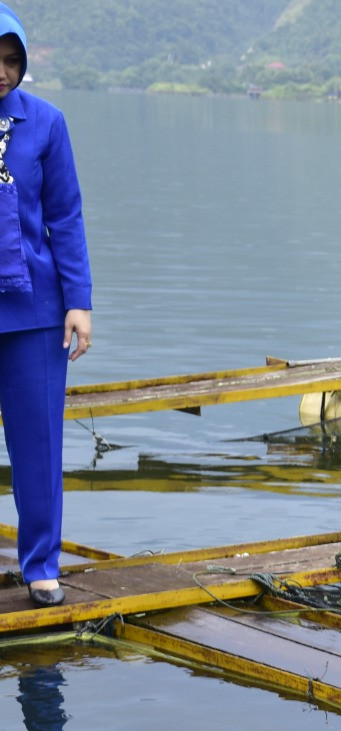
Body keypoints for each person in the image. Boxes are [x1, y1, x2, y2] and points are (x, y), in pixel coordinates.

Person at [0, 4, 91, 610]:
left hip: (34, 312)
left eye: (12, 61)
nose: (3, 72)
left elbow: (65, 215)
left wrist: (79, 301)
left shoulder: (46, 122)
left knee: (38, 445)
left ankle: (41, 566)